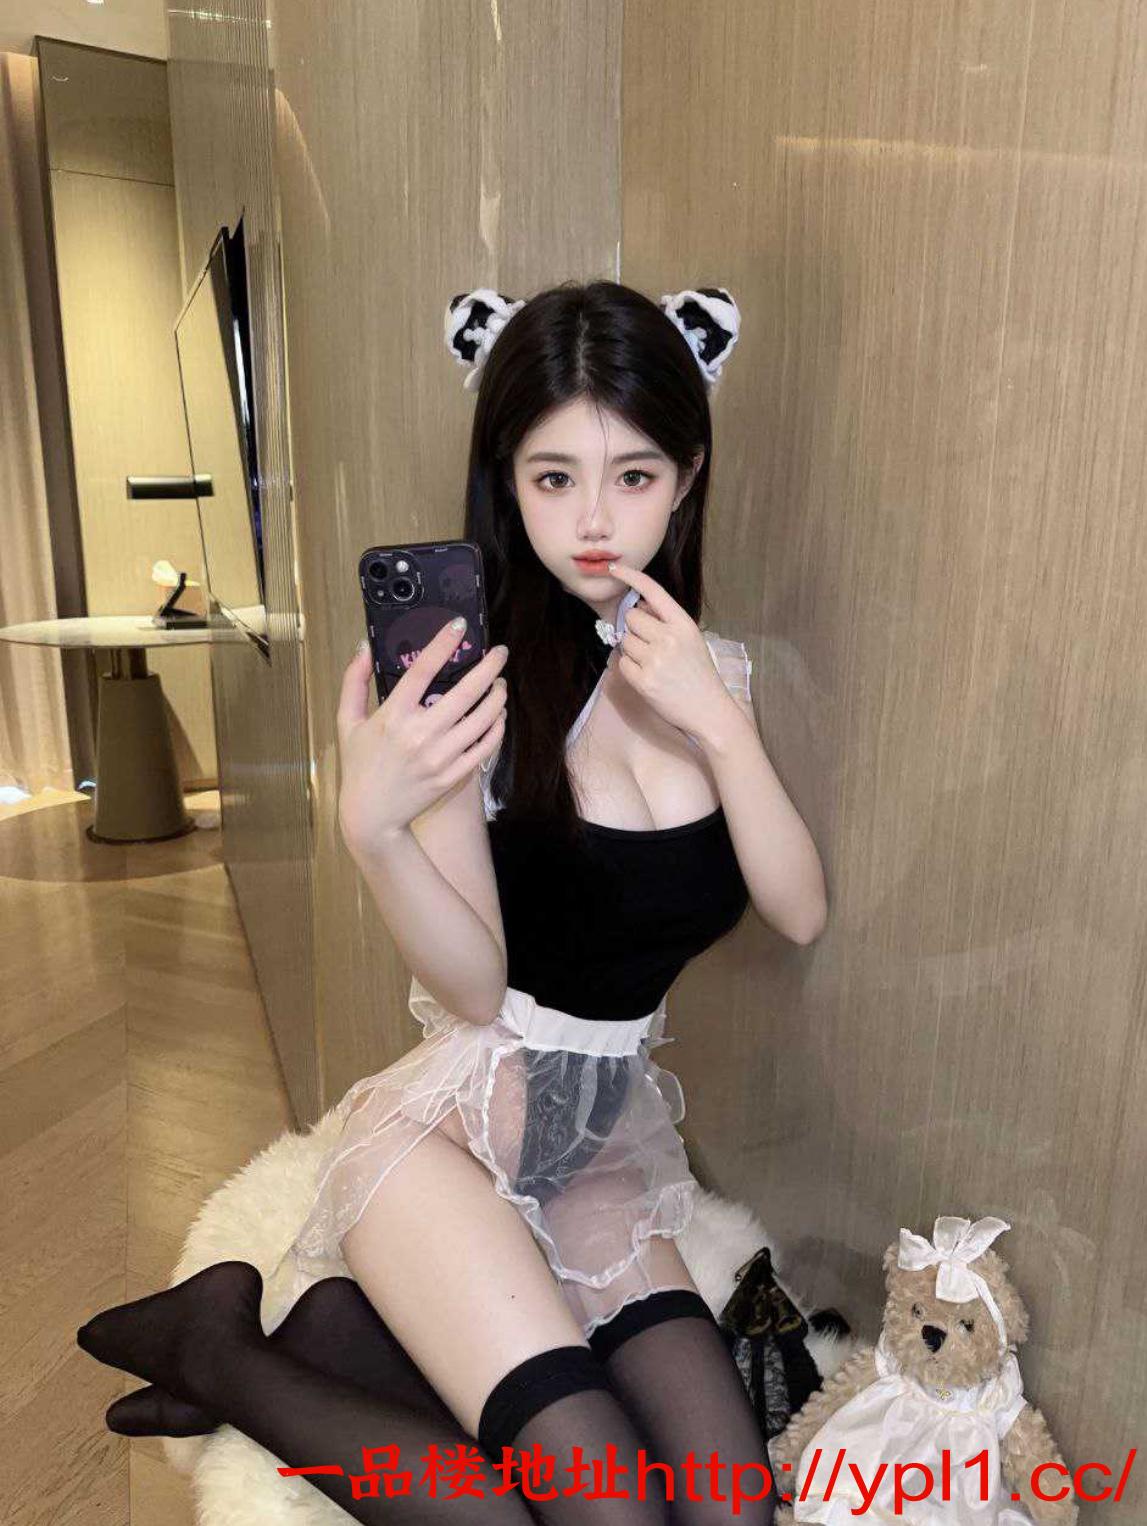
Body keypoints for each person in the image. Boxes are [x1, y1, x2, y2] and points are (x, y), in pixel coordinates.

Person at [76, 280, 828, 1524]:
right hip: (448, 1137)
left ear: (687, 477)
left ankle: (315, 1341)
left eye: (634, 475)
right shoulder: (469, 685)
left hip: (598, 1153)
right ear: (504, 480)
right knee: (602, 1511)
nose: (596, 520)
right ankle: (225, 1347)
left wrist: (717, 720)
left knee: (731, 1505)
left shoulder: (715, 677)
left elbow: (796, 910)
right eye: (553, 478)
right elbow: (476, 986)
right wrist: (371, 828)